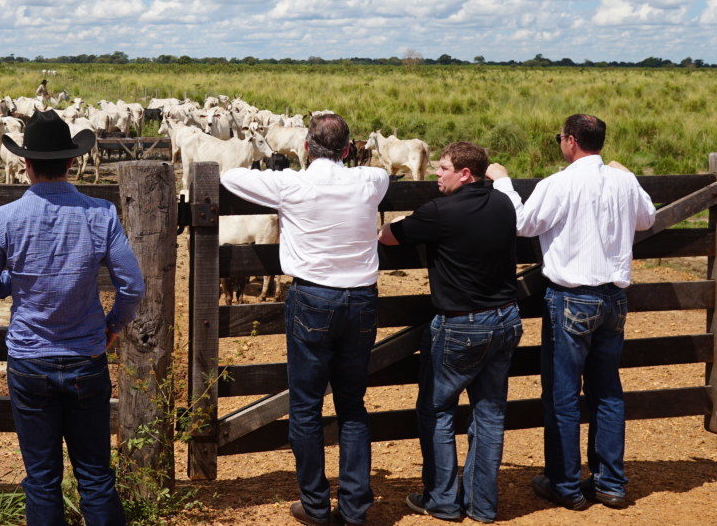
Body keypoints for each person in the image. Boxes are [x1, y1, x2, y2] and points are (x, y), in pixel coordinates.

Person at [0, 110, 145, 526]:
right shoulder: (100, 213)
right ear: (71, 163)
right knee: (96, 474)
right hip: (86, 353)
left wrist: (18, 278)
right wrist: (112, 326)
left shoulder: (6, 218)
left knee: (43, 477)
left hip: (30, 358)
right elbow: (133, 286)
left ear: (25, 164)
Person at [221, 114, 388, 526]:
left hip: (314, 297)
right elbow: (382, 176)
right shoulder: (371, 181)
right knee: (352, 405)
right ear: (349, 150)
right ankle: (353, 507)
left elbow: (231, 177)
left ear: (307, 147)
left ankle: (315, 504)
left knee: (307, 405)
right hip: (362, 299)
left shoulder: (290, 184)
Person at [488, 114, 655, 511]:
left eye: (560, 137)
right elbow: (648, 218)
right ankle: (610, 483)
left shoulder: (559, 183)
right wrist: (628, 173)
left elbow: (523, 224)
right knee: (607, 392)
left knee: (563, 396)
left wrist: (503, 182)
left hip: (571, 299)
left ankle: (565, 485)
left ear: (570, 141)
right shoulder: (623, 181)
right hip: (614, 298)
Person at [380, 142, 521, 524]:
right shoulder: (503, 205)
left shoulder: (441, 212)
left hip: (461, 323)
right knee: (489, 414)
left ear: (466, 174)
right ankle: (483, 505)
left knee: (437, 409)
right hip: (506, 318)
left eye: (443, 168)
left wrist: (388, 226)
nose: (436, 173)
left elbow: (390, 235)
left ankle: (443, 500)